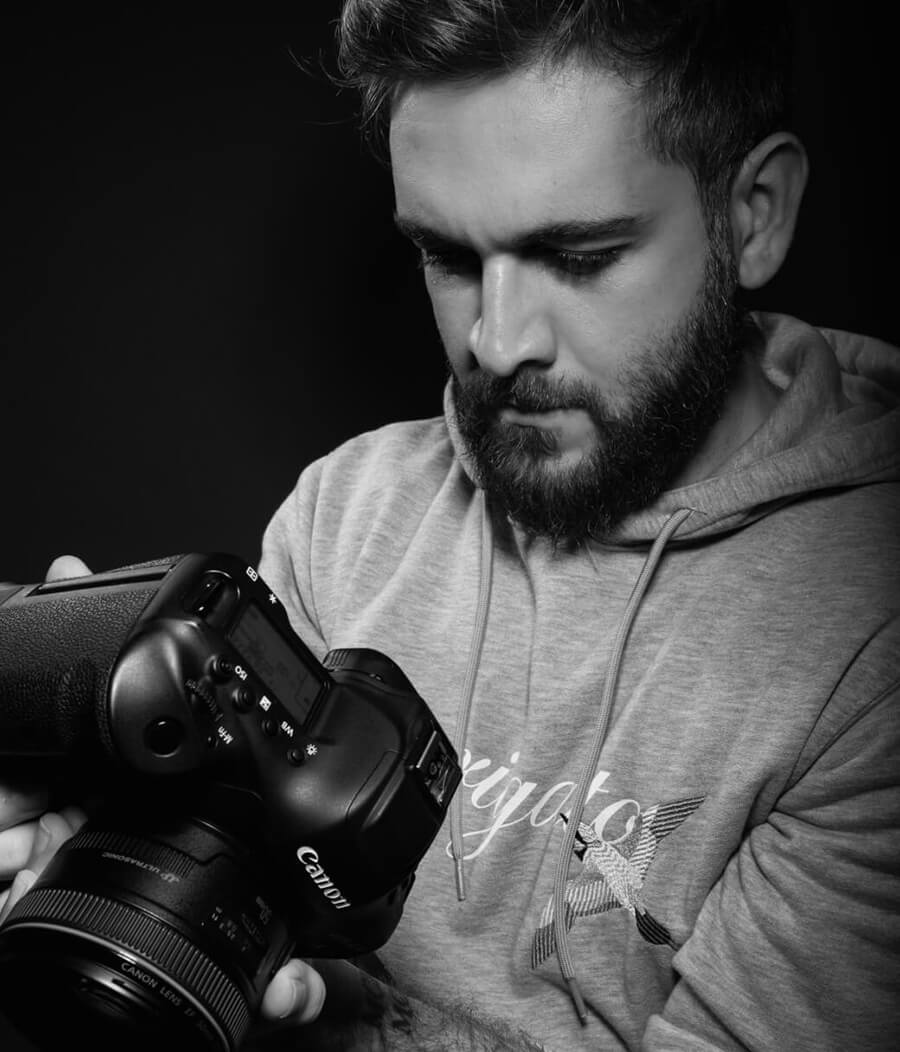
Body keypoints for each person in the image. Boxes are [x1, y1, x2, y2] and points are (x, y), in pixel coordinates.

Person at [2, 1, 899, 1049]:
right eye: (448, 256)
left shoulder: (868, 627)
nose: (497, 342)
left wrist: (346, 1024)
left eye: (579, 254)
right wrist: (98, 836)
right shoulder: (351, 507)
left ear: (753, 214)